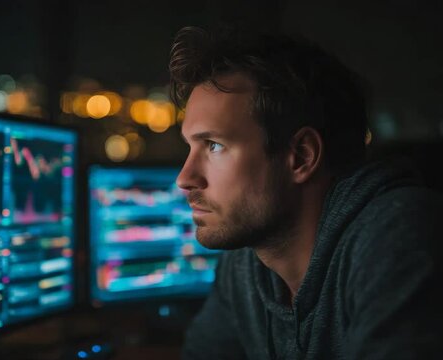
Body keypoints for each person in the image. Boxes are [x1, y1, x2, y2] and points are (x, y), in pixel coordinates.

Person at [170, 25, 443, 359]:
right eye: (190, 147)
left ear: (301, 156)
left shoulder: (400, 234)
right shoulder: (245, 263)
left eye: (213, 145)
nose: (185, 178)